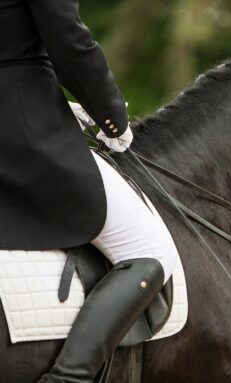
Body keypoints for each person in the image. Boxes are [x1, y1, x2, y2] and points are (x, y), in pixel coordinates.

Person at [0, 1, 178, 382]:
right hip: (18, 133)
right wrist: (111, 116)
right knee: (150, 250)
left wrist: (57, 101)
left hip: (24, 105)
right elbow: (68, 41)